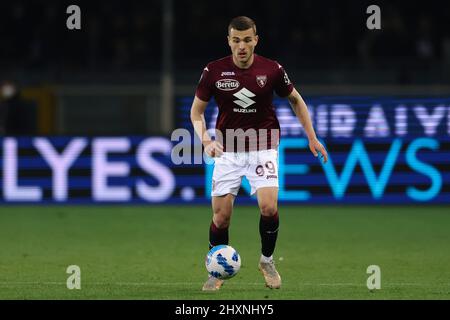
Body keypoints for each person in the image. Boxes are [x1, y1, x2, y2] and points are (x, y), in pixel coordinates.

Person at [190, 16, 328, 291]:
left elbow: (295, 101)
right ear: (229, 41)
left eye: (247, 40)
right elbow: (196, 111)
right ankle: (217, 270)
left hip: (263, 146)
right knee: (221, 217)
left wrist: (311, 136)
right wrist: (205, 141)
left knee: (269, 207)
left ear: (256, 40)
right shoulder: (213, 71)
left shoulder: (272, 69)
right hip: (228, 151)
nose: (242, 46)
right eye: (236, 40)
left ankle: (266, 260)